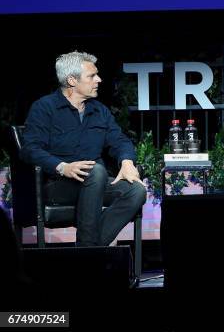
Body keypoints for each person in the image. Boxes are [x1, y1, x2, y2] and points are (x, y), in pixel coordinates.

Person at [21, 51, 146, 247]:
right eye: (91, 76)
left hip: (96, 180)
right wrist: (63, 167)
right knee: (95, 170)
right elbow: (29, 149)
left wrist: (127, 162)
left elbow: (119, 140)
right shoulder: (44, 108)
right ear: (72, 80)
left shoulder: (99, 110)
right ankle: (90, 255)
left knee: (135, 190)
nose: (99, 79)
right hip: (58, 185)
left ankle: (87, 250)